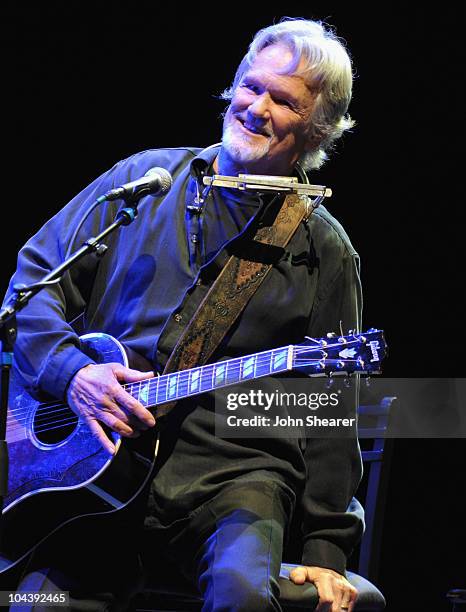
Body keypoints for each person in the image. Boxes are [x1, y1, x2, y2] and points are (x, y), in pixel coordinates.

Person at [5, 17, 364, 612]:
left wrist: (327, 551)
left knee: (243, 599)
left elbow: (330, 405)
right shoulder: (145, 181)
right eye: (252, 87)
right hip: (91, 468)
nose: (256, 108)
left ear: (318, 130)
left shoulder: (323, 251)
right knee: (29, 603)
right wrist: (71, 374)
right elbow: (33, 284)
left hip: (232, 479)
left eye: (284, 101)